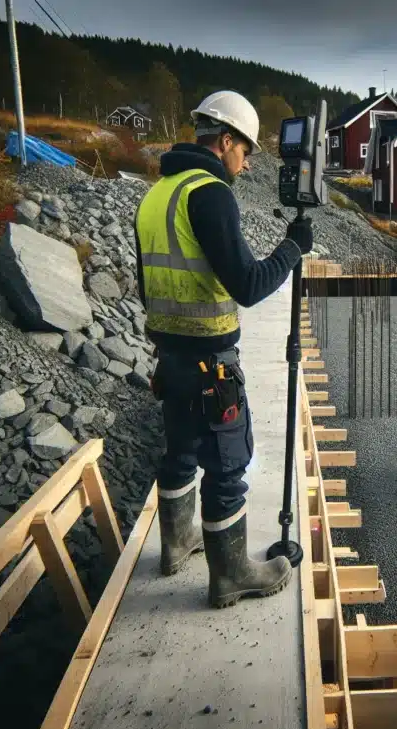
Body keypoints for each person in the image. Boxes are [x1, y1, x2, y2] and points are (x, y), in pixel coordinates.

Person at [132, 90, 313, 609]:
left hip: (169, 358)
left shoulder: (157, 193)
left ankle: (175, 544)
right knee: (228, 465)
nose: (248, 161)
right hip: (212, 364)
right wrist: (293, 247)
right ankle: (230, 574)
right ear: (226, 140)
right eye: (246, 149)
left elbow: (146, 285)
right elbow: (250, 285)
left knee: (181, 452)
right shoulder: (210, 193)